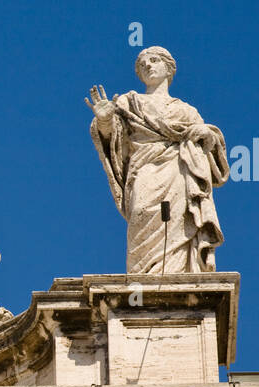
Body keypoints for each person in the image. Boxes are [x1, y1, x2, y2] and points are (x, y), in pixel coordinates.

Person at [87, 47, 229, 274]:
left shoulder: (186, 110)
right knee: (141, 211)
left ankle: (178, 273)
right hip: (143, 170)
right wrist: (104, 121)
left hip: (178, 171)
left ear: (169, 68)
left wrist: (206, 134)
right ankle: (142, 279)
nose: (148, 66)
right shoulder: (128, 102)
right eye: (143, 64)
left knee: (179, 224)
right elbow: (114, 140)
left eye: (154, 61)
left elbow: (211, 147)